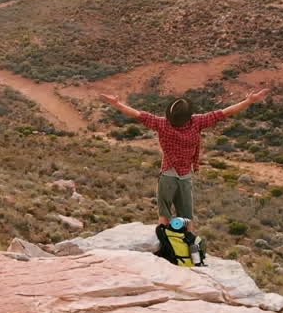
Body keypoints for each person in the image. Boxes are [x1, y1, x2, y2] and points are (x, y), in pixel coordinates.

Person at [100, 89, 269, 228]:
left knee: (164, 215)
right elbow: (223, 113)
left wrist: (116, 104)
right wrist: (248, 101)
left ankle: (166, 245)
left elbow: (138, 115)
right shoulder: (197, 122)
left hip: (168, 173)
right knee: (186, 217)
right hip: (185, 175)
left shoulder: (162, 124)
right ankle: (188, 249)